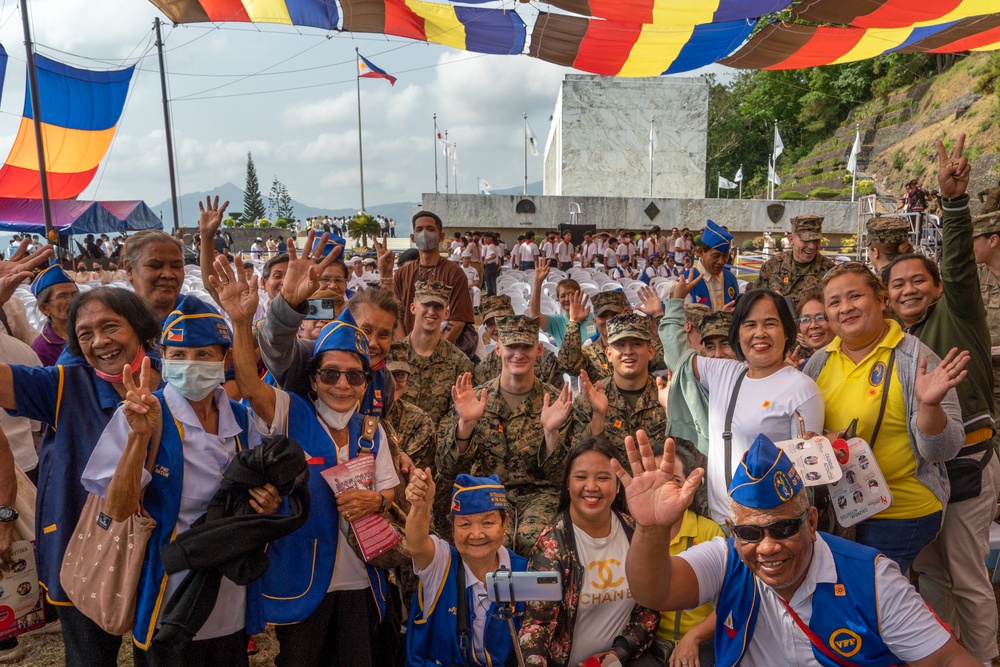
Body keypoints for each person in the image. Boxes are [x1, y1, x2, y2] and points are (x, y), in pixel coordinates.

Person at [617, 433, 981, 667]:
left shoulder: (870, 577)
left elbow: (948, 658)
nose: (768, 547)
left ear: (811, 522)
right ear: (732, 531)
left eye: (784, 527)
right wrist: (652, 528)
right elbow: (655, 591)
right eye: (750, 532)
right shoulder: (727, 558)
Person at [213, 258, 398, 667]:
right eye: (330, 375)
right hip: (301, 572)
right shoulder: (289, 411)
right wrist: (242, 323)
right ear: (312, 379)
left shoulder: (372, 430)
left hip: (359, 577)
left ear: (366, 382)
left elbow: (389, 488)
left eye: (354, 376)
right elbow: (247, 382)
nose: (342, 385)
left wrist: (378, 502)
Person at [81, 296, 274, 664]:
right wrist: (138, 438)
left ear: (226, 360)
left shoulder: (241, 420)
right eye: (179, 355)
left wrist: (266, 503)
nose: (191, 365)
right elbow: (118, 509)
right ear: (163, 359)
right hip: (167, 594)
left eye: (204, 355)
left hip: (228, 592)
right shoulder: (141, 414)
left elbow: (252, 496)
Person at [1, 282, 164, 666]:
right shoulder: (64, 385)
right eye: (85, 334)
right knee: (89, 658)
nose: (99, 342)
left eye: (110, 327)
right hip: (84, 545)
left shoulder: (178, 379)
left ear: (139, 328)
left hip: (163, 550)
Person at [882, 137, 999, 665]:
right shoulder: (890, 341)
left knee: (968, 574)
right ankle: (942, 654)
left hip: (970, 464)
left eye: (917, 281)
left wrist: (953, 203)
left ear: (935, 287)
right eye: (897, 284)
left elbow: (958, 263)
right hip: (921, 476)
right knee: (928, 572)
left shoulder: (961, 315)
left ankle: (983, 656)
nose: (907, 290)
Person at [804, 262, 966, 573]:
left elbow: (942, 451)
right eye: (834, 302)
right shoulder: (818, 363)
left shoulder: (915, 359)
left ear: (881, 300)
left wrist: (929, 407)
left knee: (866, 597)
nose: (846, 308)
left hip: (900, 512)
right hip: (839, 511)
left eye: (855, 296)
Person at [656, 276, 824, 523]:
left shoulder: (802, 389)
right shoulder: (723, 372)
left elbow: (806, 476)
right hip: (720, 522)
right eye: (749, 324)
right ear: (737, 331)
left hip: (767, 527)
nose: (760, 333)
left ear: (787, 331)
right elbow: (675, 356)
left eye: (770, 324)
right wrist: (676, 301)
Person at [438, 315, 574, 556]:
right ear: (498, 349)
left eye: (526, 347)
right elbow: (448, 468)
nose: (518, 354)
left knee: (535, 541)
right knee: (492, 543)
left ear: (539, 350)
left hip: (539, 495)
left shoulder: (555, 403)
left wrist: (550, 433)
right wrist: (466, 425)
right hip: (486, 491)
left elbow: (563, 478)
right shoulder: (474, 399)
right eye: (512, 346)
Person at [518, 437, 659, 667]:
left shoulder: (634, 530)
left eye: (603, 477)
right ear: (567, 483)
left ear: (617, 484)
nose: (591, 486)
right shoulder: (551, 544)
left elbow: (650, 607)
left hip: (622, 659)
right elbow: (536, 625)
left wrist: (619, 653)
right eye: (581, 477)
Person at [404, 472, 527, 667]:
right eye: (465, 524)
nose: (476, 534)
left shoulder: (524, 571)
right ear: (453, 527)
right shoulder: (441, 564)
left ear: (505, 524)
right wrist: (421, 505)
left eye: (488, 523)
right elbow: (416, 545)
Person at [647, 444, 720, 667]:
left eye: (675, 480)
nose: (665, 487)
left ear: (691, 485)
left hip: (702, 642)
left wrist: (694, 636)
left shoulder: (709, 531)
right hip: (647, 642)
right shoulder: (635, 532)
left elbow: (731, 603)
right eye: (657, 479)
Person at [572, 313, 667, 466]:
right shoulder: (587, 401)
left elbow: (690, 458)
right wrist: (598, 416)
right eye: (620, 345)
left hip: (661, 487)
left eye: (636, 343)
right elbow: (578, 463)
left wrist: (673, 414)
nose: (628, 351)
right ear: (609, 354)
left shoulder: (668, 395)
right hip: (610, 488)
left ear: (650, 352)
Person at [385, 211, 476, 357]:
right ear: (413, 238)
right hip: (408, 354)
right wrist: (405, 348)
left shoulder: (454, 273)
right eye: (419, 229)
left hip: (441, 354)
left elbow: (458, 320)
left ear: (441, 236)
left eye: (430, 229)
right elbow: (396, 315)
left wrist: (433, 353)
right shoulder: (403, 273)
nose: (425, 233)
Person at [398, 281, 474, 424]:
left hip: (439, 443)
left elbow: (457, 415)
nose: (431, 312)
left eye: (438, 307)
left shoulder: (460, 363)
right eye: (426, 305)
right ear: (413, 308)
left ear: (446, 313)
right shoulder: (394, 356)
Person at [475, 295, 565, 389]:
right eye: (491, 324)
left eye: (503, 321)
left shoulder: (546, 360)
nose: (498, 328)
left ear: (514, 320)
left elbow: (558, 398)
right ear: (486, 329)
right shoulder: (484, 369)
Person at [753, 214, 835, 306]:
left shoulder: (830, 273)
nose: (812, 246)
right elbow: (755, 301)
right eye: (805, 240)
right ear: (791, 239)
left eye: (816, 240)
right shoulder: (772, 265)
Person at [384, 343, 437, 472]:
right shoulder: (354, 414)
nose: (393, 383)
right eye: (387, 374)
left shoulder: (419, 422)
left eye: (400, 375)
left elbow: (411, 475)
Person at [530, 263, 598, 346]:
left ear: (579, 295)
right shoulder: (557, 322)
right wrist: (538, 282)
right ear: (558, 300)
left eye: (571, 294)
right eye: (562, 296)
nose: (566, 299)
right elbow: (534, 316)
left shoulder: (594, 318)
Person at [973, 210, 1000, 409]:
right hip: (984, 374)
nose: (969, 247)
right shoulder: (973, 278)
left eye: (973, 240)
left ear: (993, 240)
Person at [29, 263, 78, 366]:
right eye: (62, 296)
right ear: (44, 308)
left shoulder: (91, 330)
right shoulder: (42, 348)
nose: (72, 301)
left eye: (75, 294)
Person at [683, 221, 738, 311]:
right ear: (700, 252)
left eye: (725, 256)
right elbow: (685, 320)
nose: (721, 262)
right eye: (715, 256)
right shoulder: (688, 279)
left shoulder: (730, 278)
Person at [788, 290, 833, 368]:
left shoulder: (851, 360)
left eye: (820, 318)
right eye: (805, 320)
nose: (813, 325)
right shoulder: (804, 367)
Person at [482, 232, 500, 297]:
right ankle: (492, 292)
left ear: (490, 238)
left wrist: (487, 259)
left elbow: (494, 255)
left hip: (490, 265)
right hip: (493, 264)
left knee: (488, 279)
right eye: (484, 238)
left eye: (486, 238)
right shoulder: (492, 245)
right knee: (492, 279)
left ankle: (490, 293)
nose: (485, 239)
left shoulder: (490, 246)